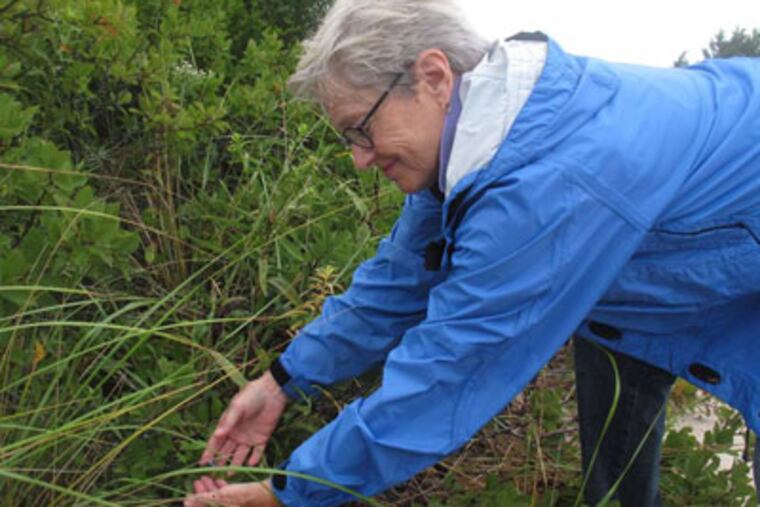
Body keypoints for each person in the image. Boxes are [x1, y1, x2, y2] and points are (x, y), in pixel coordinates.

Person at [184, 0, 760, 505]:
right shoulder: (477, 148)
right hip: (655, 273)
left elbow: (450, 375)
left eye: (361, 129)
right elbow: (396, 283)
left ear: (433, 75)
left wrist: (291, 493)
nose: (359, 158)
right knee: (609, 403)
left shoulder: (546, 185)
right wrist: (282, 380)